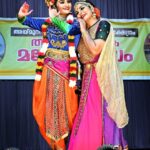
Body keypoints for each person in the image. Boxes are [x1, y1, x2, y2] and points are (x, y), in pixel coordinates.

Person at [50, 0, 129, 149]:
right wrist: (54, 18)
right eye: (77, 11)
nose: (79, 13)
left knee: (101, 113)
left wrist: (83, 29)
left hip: (101, 78)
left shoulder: (103, 25)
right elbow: (67, 29)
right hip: (87, 77)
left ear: (92, 9)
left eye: (82, 8)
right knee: (86, 115)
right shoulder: (81, 28)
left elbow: (94, 50)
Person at [17, 1, 81, 149]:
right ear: (55, 5)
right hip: (49, 71)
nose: (66, 4)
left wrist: (56, 20)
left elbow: (70, 31)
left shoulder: (77, 24)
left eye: (68, 2)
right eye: (62, 2)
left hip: (67, 75)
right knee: (49, 111)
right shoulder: (46, 23)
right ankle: (56, 146)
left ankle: (64, 144)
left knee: (69, 112)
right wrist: (21, 16)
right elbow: (26, 21)